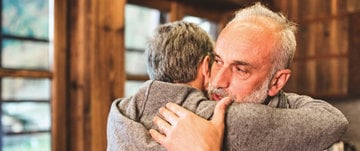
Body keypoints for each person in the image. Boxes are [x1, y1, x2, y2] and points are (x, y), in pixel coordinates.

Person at [107, 12, 348, 151]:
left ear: (277, 83)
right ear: (206, 64)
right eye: (218, 61)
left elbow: (333, 120)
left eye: (240, 69)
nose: (218, 81)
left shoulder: (122, 113)